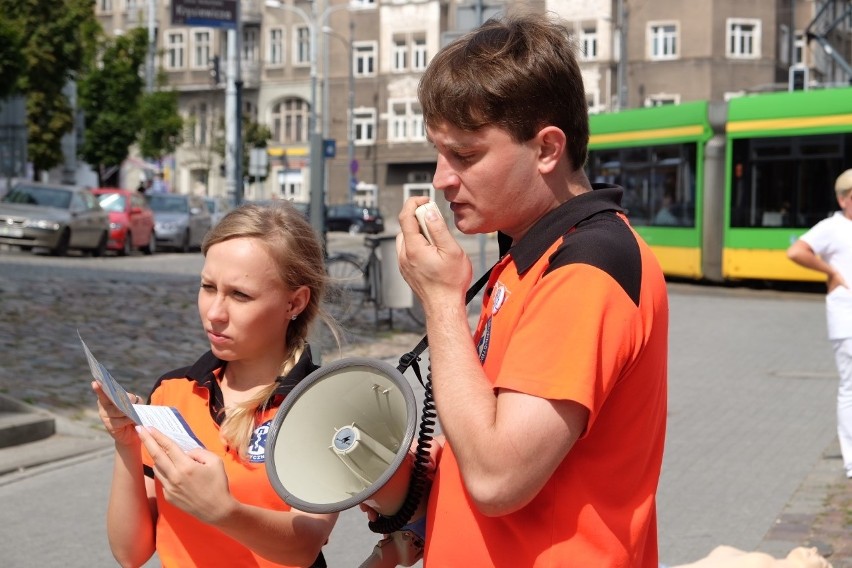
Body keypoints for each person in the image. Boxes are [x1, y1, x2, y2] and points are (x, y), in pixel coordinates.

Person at [393, 12, 669, 567]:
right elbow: (497, 434)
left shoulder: (588, 265)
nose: (442, 178)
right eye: (439, 152)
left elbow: (499, 476)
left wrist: (443, 303)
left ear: (547, 149)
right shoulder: (532, 255)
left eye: (466, 155)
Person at [91, 201, 338, 567]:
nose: (214, 312)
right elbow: (131, 553)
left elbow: (304, 546)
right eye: (208, 287)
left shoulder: (322, 404)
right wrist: (126, 445)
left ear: (294, 302)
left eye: (240, 295)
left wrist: (223, 511)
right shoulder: (173, 392)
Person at [787, 168, 852, 480]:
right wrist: (833, 273)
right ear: (843, 199)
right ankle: (851, 461)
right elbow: (796, 251)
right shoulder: (832, 227)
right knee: (850, 388)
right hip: (846, 319)